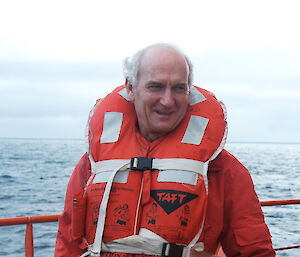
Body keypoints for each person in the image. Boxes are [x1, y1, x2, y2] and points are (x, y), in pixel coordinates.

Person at [55, 43, 275, 257]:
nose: (168, 101)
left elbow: (255, 251)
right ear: (131, 88)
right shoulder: (94, 163)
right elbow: (69, 242)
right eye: (156, 86)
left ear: (189, 92)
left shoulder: (222, 169)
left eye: (179, 88)